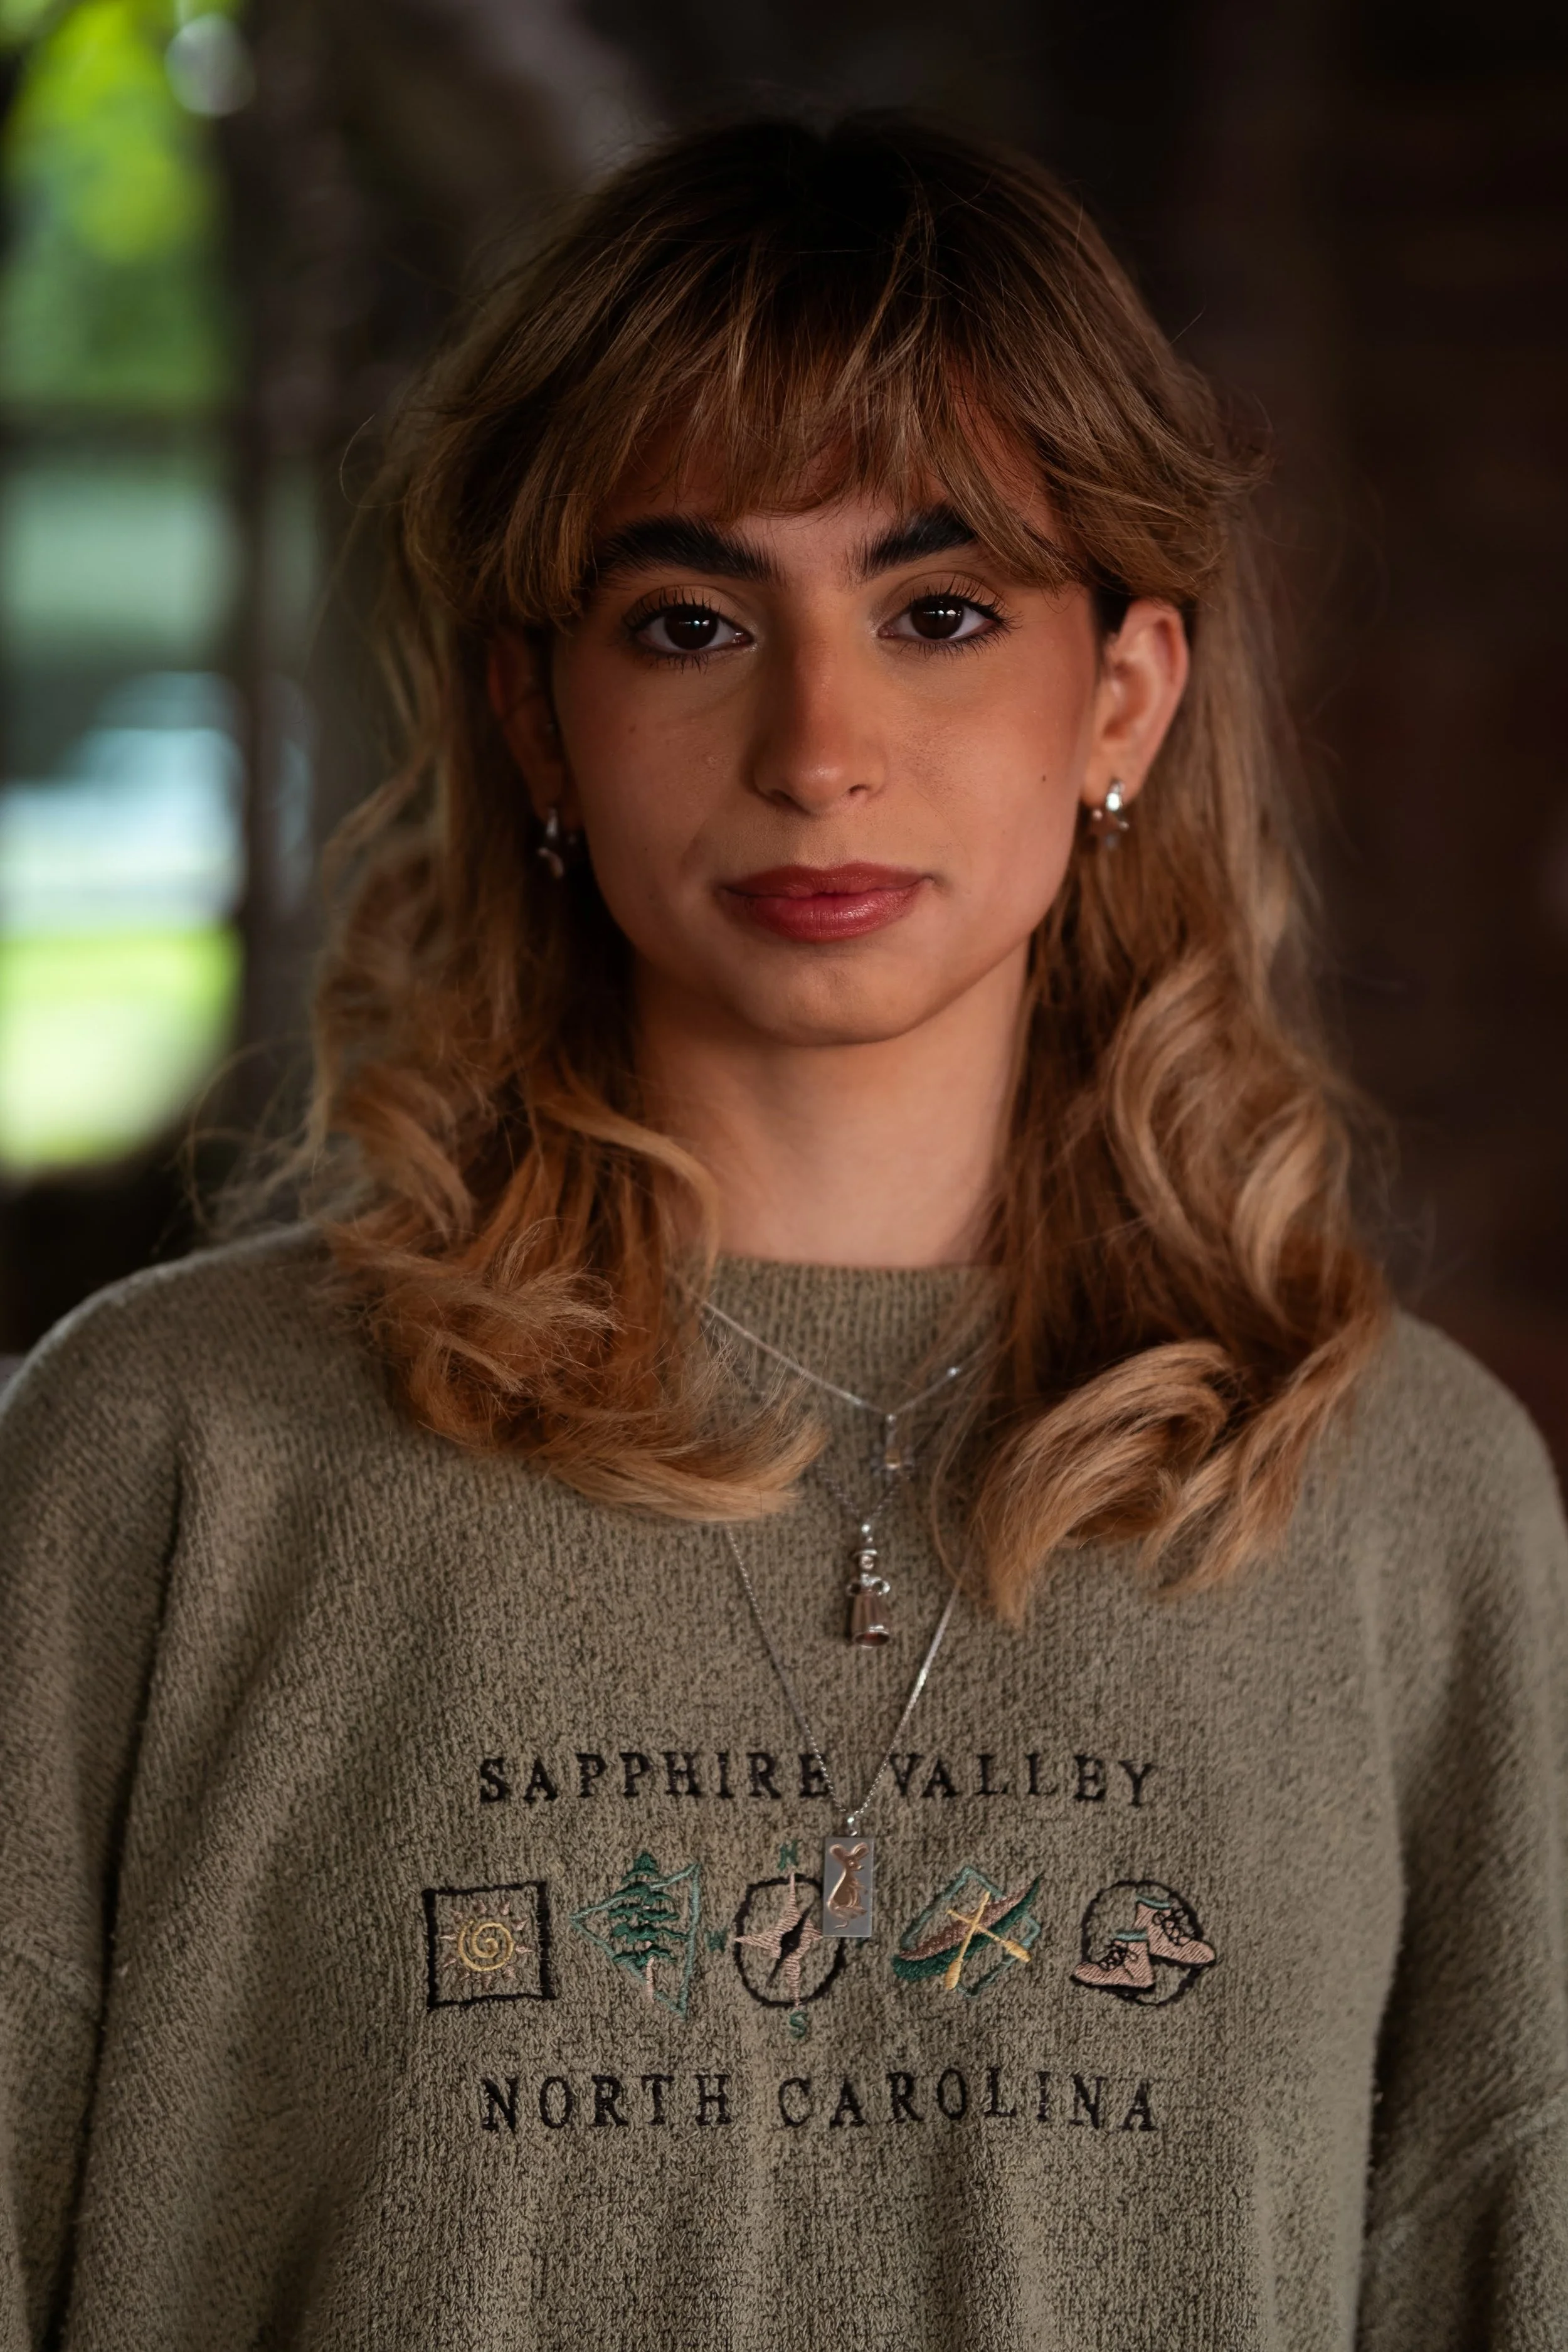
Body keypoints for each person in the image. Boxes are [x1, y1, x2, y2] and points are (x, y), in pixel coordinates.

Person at [0, 112, 1562, 2352]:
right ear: (540, 716)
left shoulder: (1402, 1502)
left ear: (1120, 690)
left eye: (937, 612)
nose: (818, 744)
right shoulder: (167, 1460)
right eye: (691, 618)